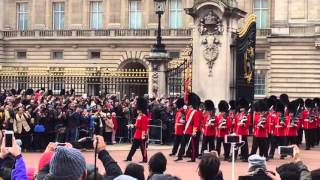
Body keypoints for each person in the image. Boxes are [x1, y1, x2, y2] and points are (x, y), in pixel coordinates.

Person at [175, 93, 201, 162]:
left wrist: (194, 131)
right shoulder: (188, 110)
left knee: (193, 145)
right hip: (186, 130)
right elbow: (181, 111)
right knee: (183, 143)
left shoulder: (195, 112)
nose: (187, 105)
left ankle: (193, 158)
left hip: (191, 131)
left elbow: (196, 123)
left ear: (191, 104)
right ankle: (180, 156)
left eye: (188, 104)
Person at [125, 97, 149, 163]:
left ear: (140, 109)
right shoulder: (139, 116)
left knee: (143, 148)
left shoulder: (144, 116)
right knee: (133, 147)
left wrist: (144, 135)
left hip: (141, 134)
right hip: (137, 133)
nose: (137, 110)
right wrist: (132, 125)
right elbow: (137, 124)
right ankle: (129, 158)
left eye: (138, 109)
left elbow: (144, 127)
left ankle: (145, 159)